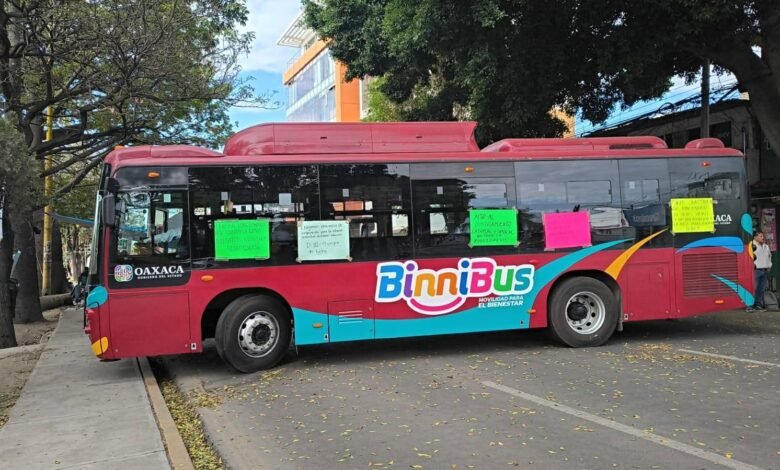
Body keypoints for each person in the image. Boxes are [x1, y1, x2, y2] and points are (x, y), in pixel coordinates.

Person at [748, 231, 772, 312]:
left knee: (761, 289)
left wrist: (769, 265)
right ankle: (749, 306)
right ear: (755, 237)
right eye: (760, 236)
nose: (763, 237)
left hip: (764, 270)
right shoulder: (751, 245)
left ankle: (758, 304)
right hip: (755, 271)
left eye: (763, 236)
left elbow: (769, 256)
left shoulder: (766, 246)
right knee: (753, 288)